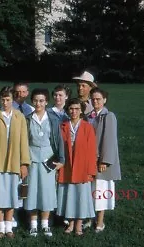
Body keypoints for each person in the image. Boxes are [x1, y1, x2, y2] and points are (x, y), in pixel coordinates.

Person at [0, 86, 30, 238]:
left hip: (14, 162)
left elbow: (24, 141)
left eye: (8, 99)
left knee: (11, 195)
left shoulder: (19, 116)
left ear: (12, 100)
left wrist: (24, 163)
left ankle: (9, 226)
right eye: (3, 99)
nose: (5, 102)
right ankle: (0, 226)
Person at [24, 88, 65, 237]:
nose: (38, 103)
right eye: (35, 100)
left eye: (41, 101)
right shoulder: (27, 119)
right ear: (32, 101)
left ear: (47, 102)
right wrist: (24, 161)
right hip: (32, 157)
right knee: (32, 191)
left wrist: (61, 160)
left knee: (47, 192)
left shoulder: (53, 119)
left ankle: (45, 224)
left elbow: (59, 141)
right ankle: (33, 224)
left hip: (49, 158)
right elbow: (24, 141)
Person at [56, 98, 97, 236]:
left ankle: (79, 223)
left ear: (81, 111)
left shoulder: (87, 127)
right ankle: (71, 222)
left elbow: (92, 151)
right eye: (71, 109)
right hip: (67, 166)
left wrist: (90, 171)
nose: (74, 112)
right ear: (67, 110)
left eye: (77, 109)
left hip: (82, 167)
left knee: (81, 195)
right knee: (69, 195)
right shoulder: (63, 126)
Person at [86, 88, 121, 233]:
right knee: (89, 190)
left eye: (98, 99)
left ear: (104, 100)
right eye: (93, 99)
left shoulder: (108, 116)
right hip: (89, 159)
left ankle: (100, 221)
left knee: (100, 190)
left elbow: (110, 140)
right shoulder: (89, 116)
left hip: (101, 161)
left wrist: (104, 161)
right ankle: (89, 218)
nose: (95, 102)